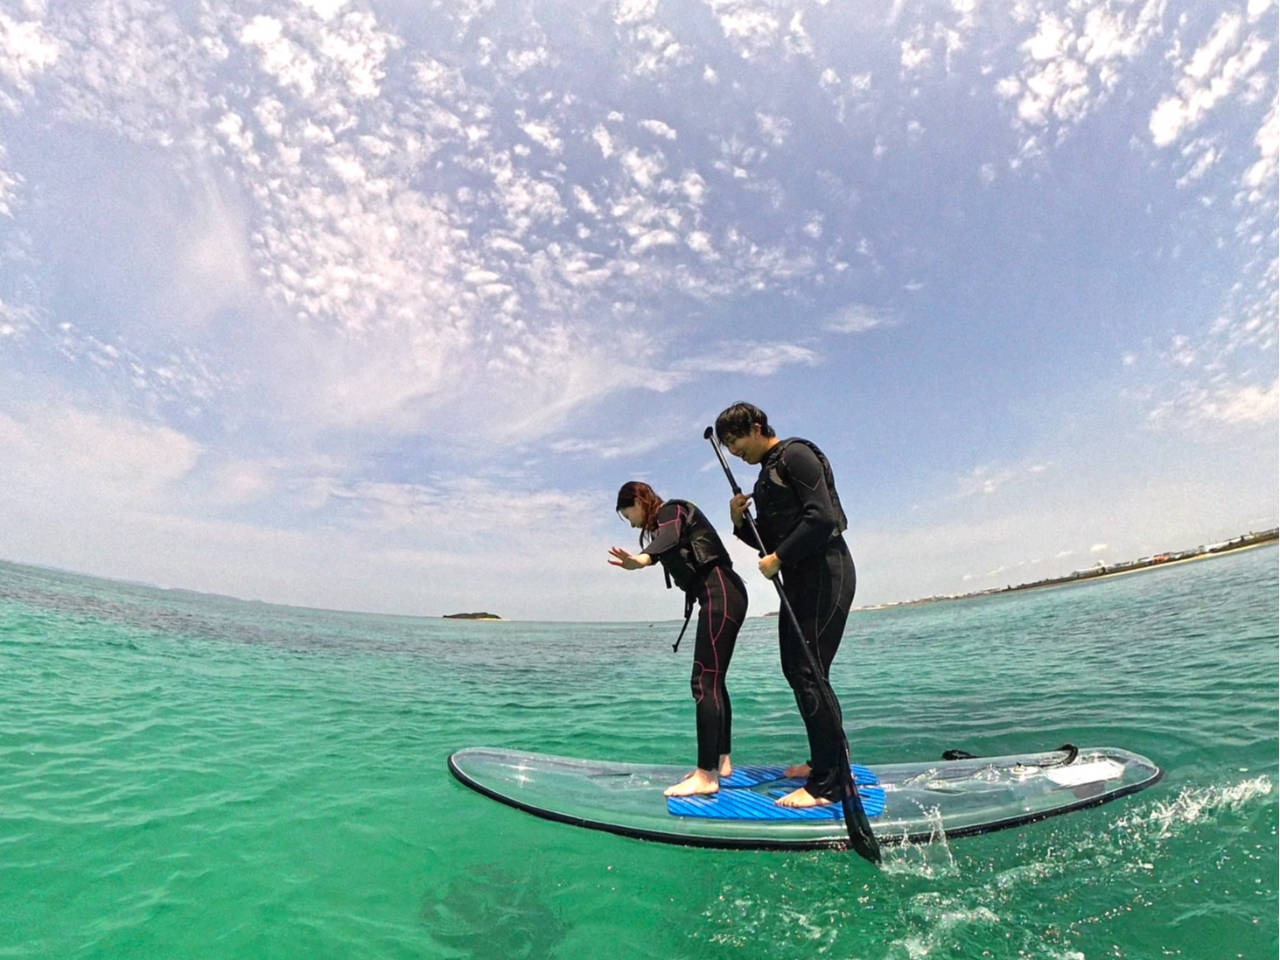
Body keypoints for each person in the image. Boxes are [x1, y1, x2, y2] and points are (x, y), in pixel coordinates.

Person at [714, 401, 857, 809]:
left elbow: (822, 518)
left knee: (809, 673)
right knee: (798, 671)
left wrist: (777, 559)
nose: (733, 450)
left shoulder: (796, 455)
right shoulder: (764, 478)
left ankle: (828, 785)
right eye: (726, 444)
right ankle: (826, 762)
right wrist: (741, 523)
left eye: (736, 439)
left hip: (828, 571)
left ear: (757, 427)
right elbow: (769, 543)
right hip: (799, 580)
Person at [609, 481, 749, 797]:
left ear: (638, 501)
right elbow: (667, 544)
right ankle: (721, 761)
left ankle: (706, 775)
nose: (630, 522)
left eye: (627, 513)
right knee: (715, 681)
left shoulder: (671, 512)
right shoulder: (665, 525)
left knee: (704, 682)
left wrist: (641, 560)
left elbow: (669, 536)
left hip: (720, 593)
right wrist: (647, 558)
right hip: (725, 593)